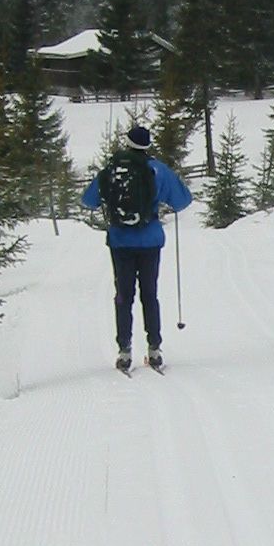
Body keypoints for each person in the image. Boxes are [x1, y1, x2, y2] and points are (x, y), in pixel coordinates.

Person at [81, 124, 193, 371]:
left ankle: (124, 350)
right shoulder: (157, 170)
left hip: (120, 242)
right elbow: (183, 200)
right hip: (150, 241)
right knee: (149, 294)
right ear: (147, 145)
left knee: (124, 295)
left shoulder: (112, 169)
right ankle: (154, 348)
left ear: (128, 143)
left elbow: (88, 200)